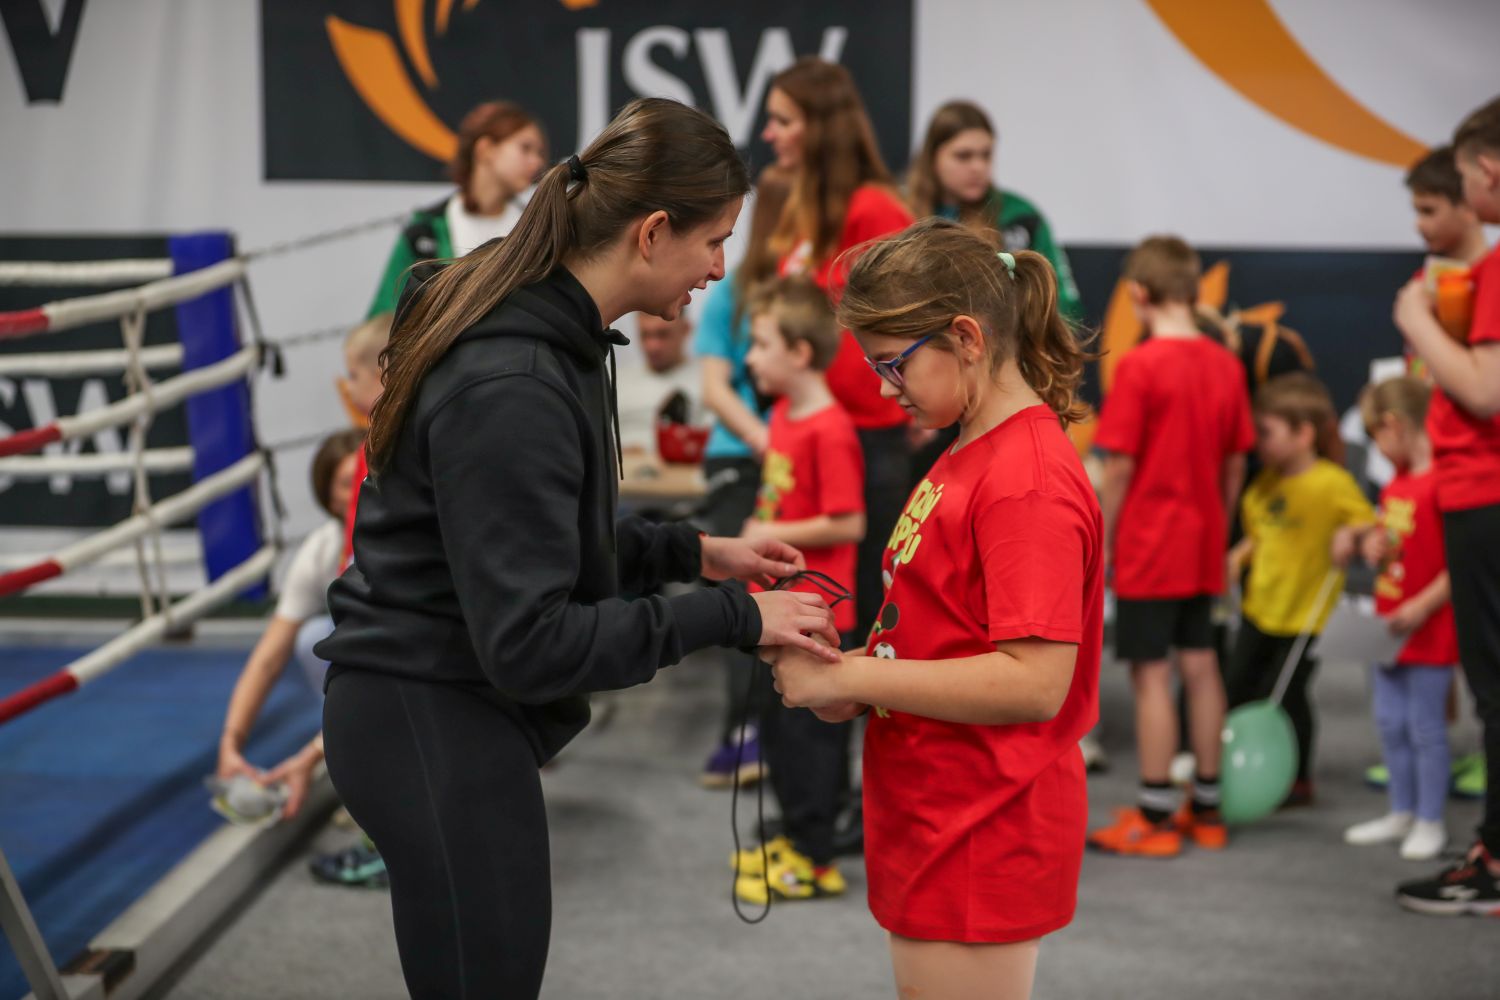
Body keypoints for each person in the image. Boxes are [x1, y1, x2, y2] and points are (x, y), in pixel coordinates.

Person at [314, 98, 842, 998]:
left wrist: (691, 553)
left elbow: (524, 540)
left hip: (444, 706)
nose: (720, 270)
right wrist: (732, 619)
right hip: (427, 715)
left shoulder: (551, 335)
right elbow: (533, 641)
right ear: (653, 232)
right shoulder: (514, 381)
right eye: (715, 241)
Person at [770, 218, 1102, 1000]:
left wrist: (852, 676)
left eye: (894, 364)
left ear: (966, 338)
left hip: (986, 817)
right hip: (939, 803)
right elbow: (948, 634)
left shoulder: (1024, 482)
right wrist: (855, 674)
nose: (886, 389)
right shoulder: (968, 445)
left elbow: (1034, 682)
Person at [1086, 237, 1253, 857]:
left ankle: (1154, 814)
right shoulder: (1226, 365)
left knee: (1151, 674)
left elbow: (1119, 468)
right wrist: (1219, 528)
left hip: (1150, 544)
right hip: (1204, 541)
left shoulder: (1140, 366)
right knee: (1202, 667)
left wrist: (1104, 540)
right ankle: (1207, 808)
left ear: (1138, 294)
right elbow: (1235, 464)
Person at [762, 56, 916, 637]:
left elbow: (908, 320)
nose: (769, 134)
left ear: (821, 127)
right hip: (812, 431)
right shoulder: (807, 209)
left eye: (783, 120)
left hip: (865, 438)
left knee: (861, 614)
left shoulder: (873, 209)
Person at [1394, 96, 1500, 916]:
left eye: (1461, 180)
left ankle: (1491, 860)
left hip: (1484, 492)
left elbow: (1484, 391)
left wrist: (1414, 318)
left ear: (1487, 172)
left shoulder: (1492, 272)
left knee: (1493, 688)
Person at [731, 275, 864, 904]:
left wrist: (770, 531)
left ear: (801, 353)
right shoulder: (784, 414)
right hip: (776, 609)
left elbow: (849, 521)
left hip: (817, 614)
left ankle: (815, 856)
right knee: (781, 734)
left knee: (812, 740)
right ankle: (796, 832)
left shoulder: (830, 429)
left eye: (761, 344)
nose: (750, 358)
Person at [1224, 373, 1377, 806]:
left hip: (1305, 618)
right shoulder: (1264, 484)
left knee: (1288, 696)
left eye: (1267, 432)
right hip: (1260, 609)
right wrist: (1238, 555)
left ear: (1304, 433)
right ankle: (1241, 765)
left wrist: (1352, 534)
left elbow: (1368, 523)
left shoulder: (1332, 483)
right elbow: (1262, 534)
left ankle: (1298, 779)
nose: (1257, 443)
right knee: (1237, 688)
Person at [694, 165, 790, 788]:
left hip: (801, 458)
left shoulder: (819, 290)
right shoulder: (735, 291)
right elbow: (715, 386)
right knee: (745, 593)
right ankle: (742, 730)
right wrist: (767, 442)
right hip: (743, 457)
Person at [216, 429, 364, 818]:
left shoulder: (406, 544)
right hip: (383, 676)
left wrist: (311, 756)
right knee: (314, 639)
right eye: (349, 482)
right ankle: (354, 755)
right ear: (329, 498)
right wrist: (230, 743)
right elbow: (269, 658)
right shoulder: (321, 551)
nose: (363, 488)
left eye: (369, 475)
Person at [1344, 377, 1457, 861]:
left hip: (1429, 628)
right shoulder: (1396, 484)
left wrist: (1424, 605)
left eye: (1376, 438)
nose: (1377, 449)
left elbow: (1461, 563)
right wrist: (1374, 545)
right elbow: (1394, 544)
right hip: (1388, 626)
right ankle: (1402, 810)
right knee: (1389, 722)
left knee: (1426, 727)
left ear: (1393, 426)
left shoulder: (1443, 483)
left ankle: (1430, 819)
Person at [906, 99, 1082, 321]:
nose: (978, 167)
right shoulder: (900, 214)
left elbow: (1062, 305)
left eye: (986, 155)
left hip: (1005, 340)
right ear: (933, 157)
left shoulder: (1019, 216)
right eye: (963, 156)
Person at [368, 100, 547, 316]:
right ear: (485, 149)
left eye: (539, 153)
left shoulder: (540, 230)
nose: (537, 162)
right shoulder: (425, 231)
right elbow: (385, 317)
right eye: (525, 148)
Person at [615, 309, 702, 455]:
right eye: (645, 335)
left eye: (663, 334)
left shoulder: (709, 383)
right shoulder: (616, 381)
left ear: (686, 329)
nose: (653, 346)